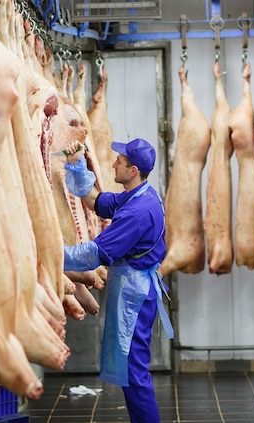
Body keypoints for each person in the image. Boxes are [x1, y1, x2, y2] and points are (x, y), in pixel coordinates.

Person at [62, 138, 174, 423]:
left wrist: (51, 254)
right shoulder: (139, 195)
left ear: (133, 169)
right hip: (133, 289)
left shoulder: (137, 213)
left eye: (119, 162)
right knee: (130, 370)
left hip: (134, 296)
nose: (113, 163)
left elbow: (95, 254)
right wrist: (77, 165)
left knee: (134, 372)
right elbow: (97, 202)